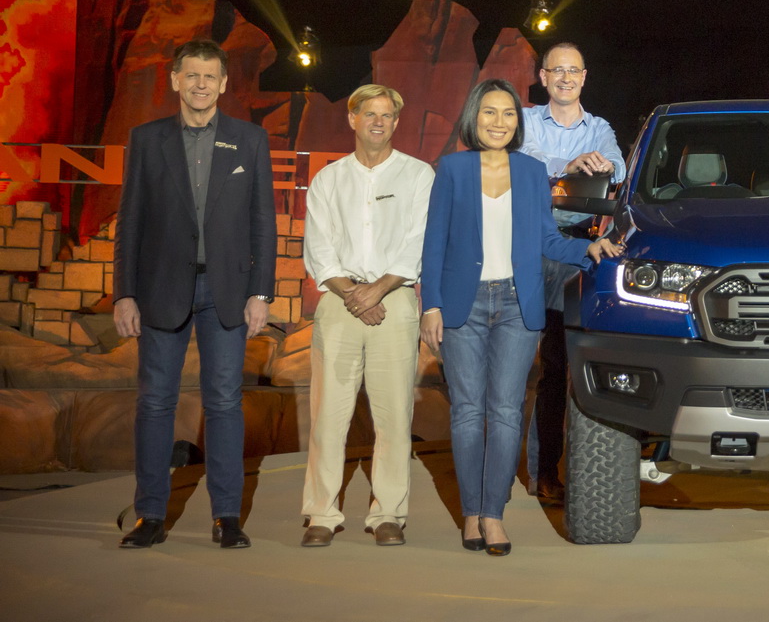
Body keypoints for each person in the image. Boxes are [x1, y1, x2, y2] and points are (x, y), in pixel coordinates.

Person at [420, 79, 623, 556]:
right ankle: (471, 511)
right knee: (469, 412)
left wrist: (587, 247)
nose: (498, 122)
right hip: (461, 305)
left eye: (508, 114)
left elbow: (547, 241)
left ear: (518, 122)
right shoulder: (451, 169)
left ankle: (494, 515)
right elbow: (433, 242)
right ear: (475, 117)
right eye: (489, 113)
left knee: (508, 412)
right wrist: (430, 304)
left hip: (517, 304)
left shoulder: (532, 172)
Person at [114, 39, 276, 549]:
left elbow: (263, 224)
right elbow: (131, 222)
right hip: (161, 288)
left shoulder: (250, 140)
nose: (201, 84)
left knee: (225, 401)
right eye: (193, 76)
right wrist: (124, 293)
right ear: (175, 80)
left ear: (225, 83)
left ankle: (227, 516)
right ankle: (150, 516)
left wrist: (261, 293)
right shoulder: (146, 139)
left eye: (211, 76)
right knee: (156, 402)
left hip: (227, 291)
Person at [298, 84, 434, 547]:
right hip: (339, 300)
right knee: (328, 416)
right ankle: (321, 513)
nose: (378, 122)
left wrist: (377, 290)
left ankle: (388, 514)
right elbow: (318, 246)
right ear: (352, 119)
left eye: (387, 115)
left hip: (394, 299)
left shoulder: (418, 175)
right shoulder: (329, 178)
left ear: (397, 123)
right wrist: (352, 292)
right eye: (369, 114)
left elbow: (418, 241)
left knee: (394, 414)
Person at [517, 42, 627, 499]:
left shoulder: (598, 127)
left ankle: (546, 473)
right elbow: (523, 161)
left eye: (573, 71)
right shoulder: (524, 120)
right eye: (556, 71)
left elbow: (617, 166)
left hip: (572, 253)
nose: (565, 78)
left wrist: (596, 163)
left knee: (560, 368)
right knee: (510, 366)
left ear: (585, 77)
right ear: (543, 77)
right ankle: (496, 472)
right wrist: (571, 165)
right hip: (521, 246)